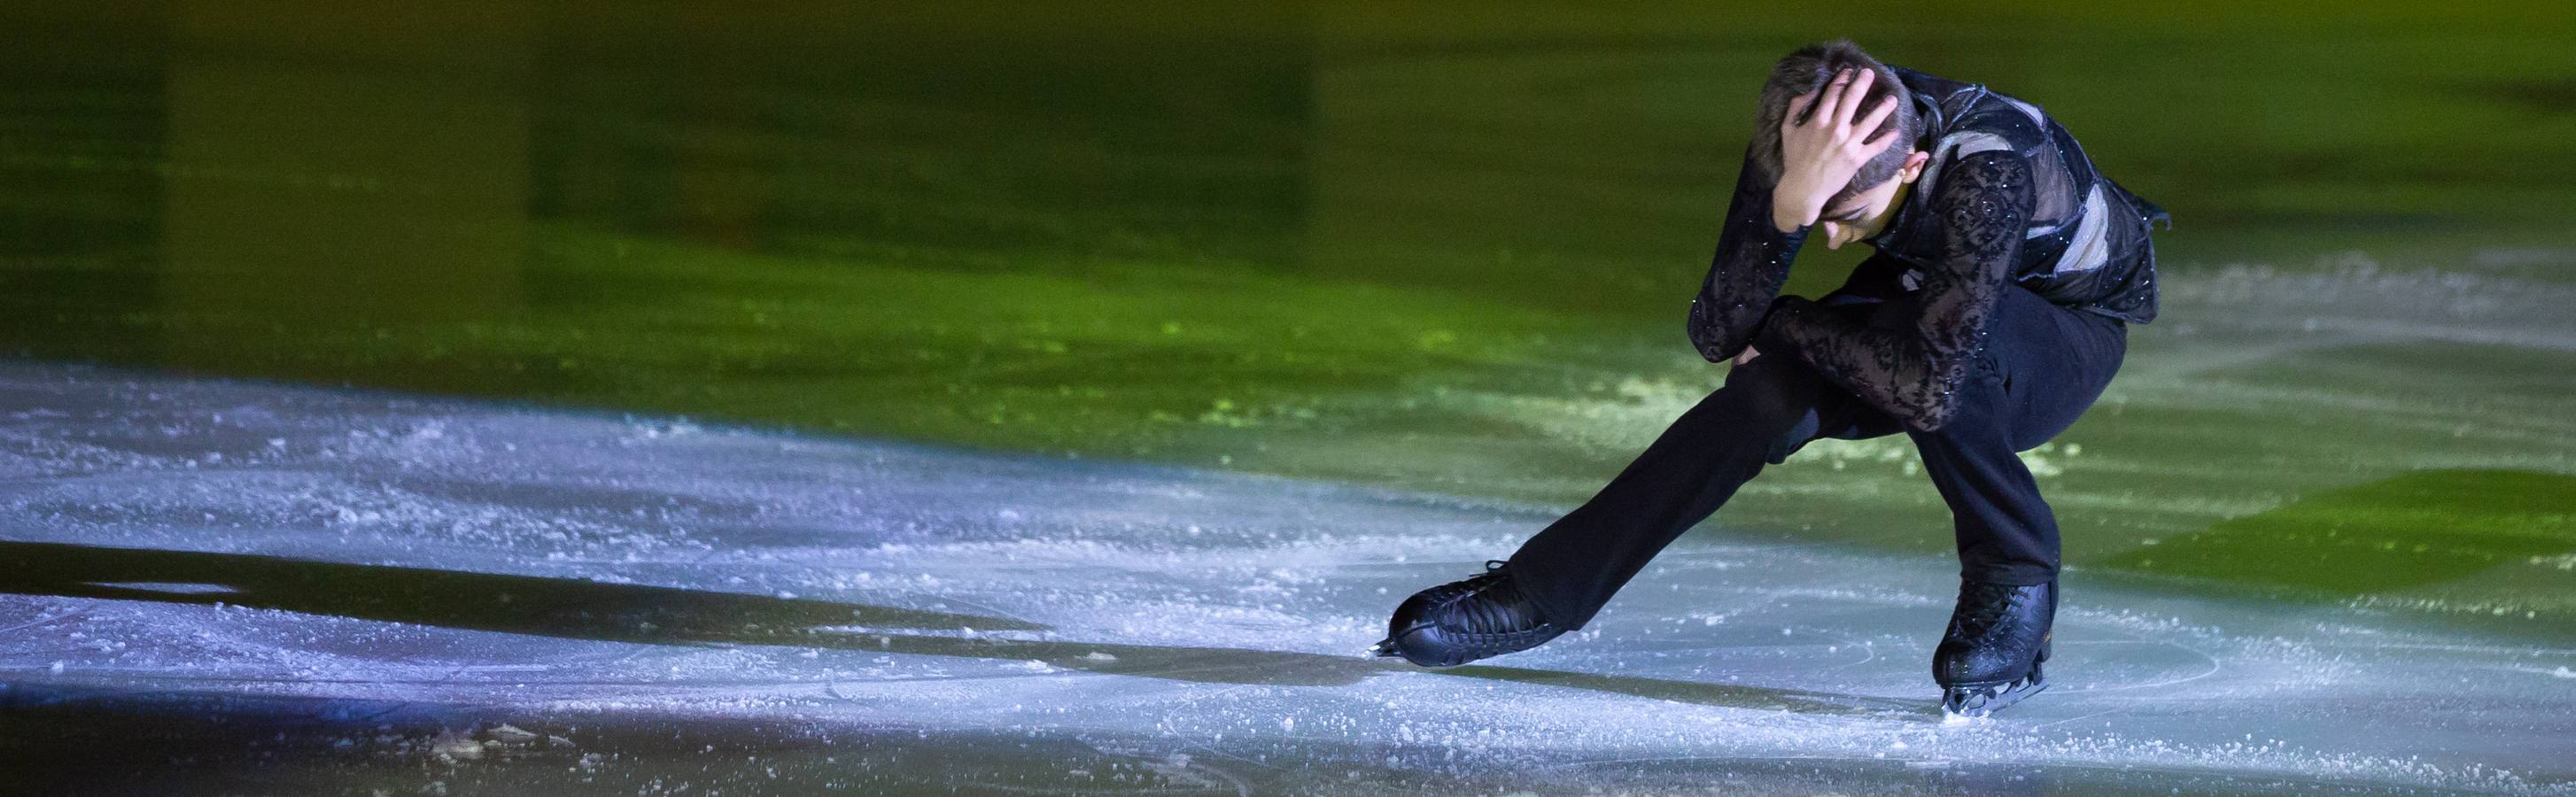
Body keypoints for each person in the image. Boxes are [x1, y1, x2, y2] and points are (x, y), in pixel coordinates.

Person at [1369, 40, 2167, 718]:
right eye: (1815, 215)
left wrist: (1787, 319)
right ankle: (1542, 591)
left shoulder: (1990, 168)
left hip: (2061, 332)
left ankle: (2017, 575)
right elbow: (1718, 331)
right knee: (1765, 393)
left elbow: (1927, 390)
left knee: (1944, 359)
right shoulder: (1810, 134)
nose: (1830, 241)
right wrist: (1787, 210)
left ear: (1914, 164)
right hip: (1924, 297)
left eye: (1845, 218)